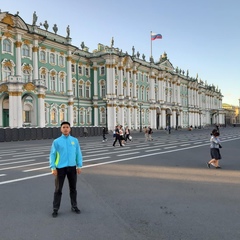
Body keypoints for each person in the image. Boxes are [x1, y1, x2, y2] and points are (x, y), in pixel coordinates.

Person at [49, 121, 83, 218]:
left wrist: (79, 165)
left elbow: (78, 153)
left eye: (67, 127)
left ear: (70, 129)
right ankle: (55, 209)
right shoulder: (56, 141)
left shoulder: (75, 140)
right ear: (61, 129)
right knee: (58, 189)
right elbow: (52, 154)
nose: (65, 129)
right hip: (60, 168)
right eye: (63, 127)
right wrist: (53, 167)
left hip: (72, 167)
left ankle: (74, 206)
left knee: (73, 189)